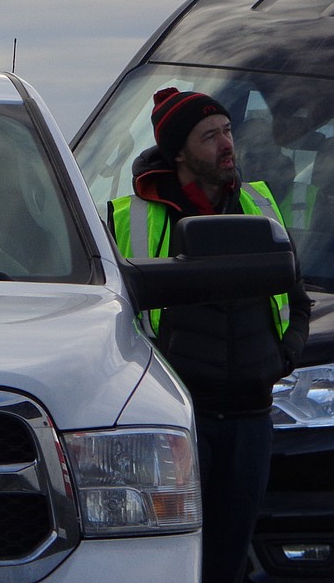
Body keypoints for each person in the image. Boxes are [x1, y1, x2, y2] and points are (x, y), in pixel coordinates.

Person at [107, 88, 312, 583]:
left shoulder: (259, 202)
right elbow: (108, 315)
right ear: (179, 152)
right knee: (171, 558)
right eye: (209, 135)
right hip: (178, 421)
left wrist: (280, 358)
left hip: (250, 417)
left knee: (230, 558)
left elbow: (295, 295)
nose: (226, 144)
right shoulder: (126, 216)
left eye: (227, 131)